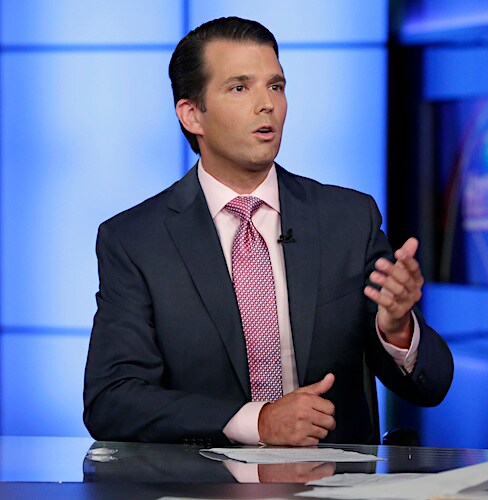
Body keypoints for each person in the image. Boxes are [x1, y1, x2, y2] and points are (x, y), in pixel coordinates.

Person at [83, 16, 453, 447]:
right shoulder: (135, 240)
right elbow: (112, 400)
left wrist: (398, 328)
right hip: (202, 480)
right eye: (240, 88)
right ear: (192, 115)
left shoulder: (349, 219)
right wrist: (256, 422)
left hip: (334, 477)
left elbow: (431, 387)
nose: (267, 104)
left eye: (275, 86)